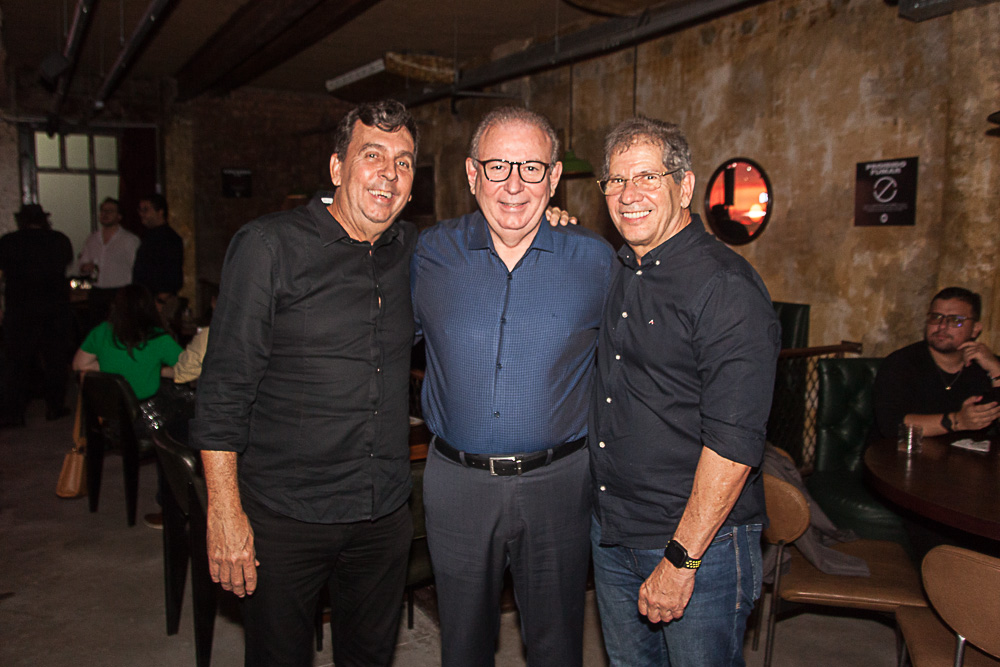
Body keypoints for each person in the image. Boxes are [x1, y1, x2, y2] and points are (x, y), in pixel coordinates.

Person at [189, 100, 419, 667]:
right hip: (285, 519)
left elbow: (494, 234)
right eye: (373, 155)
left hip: (382, 514)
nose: (389, 174)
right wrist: (224, 512)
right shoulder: (268, 246)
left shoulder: (415, 251)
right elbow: (223, 390)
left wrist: (549, 218)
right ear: (337, 167)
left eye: (404, 162)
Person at [411, 106, 615, 667]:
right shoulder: (429, 254)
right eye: (498, 166)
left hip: (559, 486)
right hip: (457, 486)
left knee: (557, 645)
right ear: (471, 174)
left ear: (554, 178)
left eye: (532, 168)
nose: (514, 185)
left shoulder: (595, 261)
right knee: (463, 646)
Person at [588, 117, 780, 666]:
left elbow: (734, 446)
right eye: (616, 180)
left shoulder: (726, 287)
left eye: (647, 177)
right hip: (614, 530)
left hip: (698, 547)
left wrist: (681, 560)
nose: (629, 195)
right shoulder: (620, 268)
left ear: (685, 185)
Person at [873, 286, 1000, 439]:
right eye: (936, 317)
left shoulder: (985, 364)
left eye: (955, 320)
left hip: (966, 454)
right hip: (904, 452)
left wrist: (996, 370)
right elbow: (892, 425)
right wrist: (957, 421)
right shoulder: (901, 363)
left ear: (975, 329)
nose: (942, 326)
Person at [0, 203, 74, 426]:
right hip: (54, 309)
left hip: (20, 309)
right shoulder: (59, 240)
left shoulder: (8, 242)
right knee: (55, 360)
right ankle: (54, 406)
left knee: (16, 362)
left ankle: (14, 413)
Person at [72, 284, 182, 426]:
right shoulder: (158, 338)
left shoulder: (102, 331)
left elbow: (79, 365)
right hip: (149, 419)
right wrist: (158, 370)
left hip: (111, 418)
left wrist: (111, 364)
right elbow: (191, 369)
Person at [78, 197, 141, 327]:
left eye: (110, 211)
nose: (105, 214)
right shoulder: (93, 239)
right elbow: (81, 265)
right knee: (96, 328)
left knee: (119, 328)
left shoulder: (129, 240)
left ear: (119, 216)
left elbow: (137, 268)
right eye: (103, 211)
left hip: (120, 292)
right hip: (97, 292)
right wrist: (85, 268)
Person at [132, 193, 184, 319]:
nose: (141, 214)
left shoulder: (169, 238)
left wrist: (161, 300)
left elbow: (172, 273)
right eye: (140, 210)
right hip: (146, 300)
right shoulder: (149, 236)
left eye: (146, 210)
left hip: (158, 302)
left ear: (160, 212)